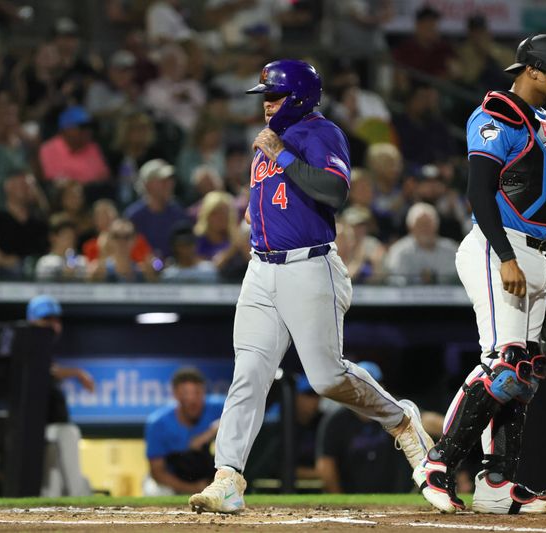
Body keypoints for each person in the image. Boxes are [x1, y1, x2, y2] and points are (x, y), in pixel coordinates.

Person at [188, 59, 434, 514]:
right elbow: (268, 200)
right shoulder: (268, 139)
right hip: (261, 269)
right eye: (264, 96)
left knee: (326, 378)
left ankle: (401, 421)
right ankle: (228, 476)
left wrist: (281, 154)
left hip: (309, 266)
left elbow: (335, 192)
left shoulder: (320, 133)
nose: (266, 105)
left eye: (274, 96)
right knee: (249, 373)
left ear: (299, 96)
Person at [414, 33, 546, 514]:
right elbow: (478, 192)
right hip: (498, 247)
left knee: (526, 373)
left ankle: (497, 484)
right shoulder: (495, 115)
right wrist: (505, 256)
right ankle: (437, 465)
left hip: (535, 251)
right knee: (506, 364)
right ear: (532, 70)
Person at [26, 295, 93, 497]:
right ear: (33, 320)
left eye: (56, 319)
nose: (53, 325)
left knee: (52, 487)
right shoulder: (27, 344)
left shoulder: (45, 350)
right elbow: (44, 371)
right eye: (47, 319)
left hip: (49, 429)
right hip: (39, 429)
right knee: (68, 435)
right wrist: (78, 373)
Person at [316, 362, 413, 493]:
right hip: (350, 497)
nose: (365, 393)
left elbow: (424, 421)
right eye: (360, 387)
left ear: (381, 388)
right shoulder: (336, 420)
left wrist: (449, 433)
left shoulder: (393, 411)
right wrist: (340, 500)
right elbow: (326, 464)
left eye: (371, 387)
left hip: (392, 495)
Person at [145, 367, 225, 495]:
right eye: (185, 393)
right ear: (175, 394)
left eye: (197, 392)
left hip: (209, 479)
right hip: (173, 481)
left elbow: (244, 411)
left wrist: (213, 429)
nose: (192, 399)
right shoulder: (158, 423)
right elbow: (158, 472)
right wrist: (194, 489)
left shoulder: (219, 407)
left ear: (204, 392)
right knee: (153, 492)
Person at [124, 158, 190, 258]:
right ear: (147, 185)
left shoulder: (178, 212)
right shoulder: (134, 216)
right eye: (163, 181)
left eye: (170, 180)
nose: (169, 184)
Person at [384, 202, 458, 285]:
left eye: (428, 224)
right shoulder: (399, 251)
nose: (425, 229)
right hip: (409, 297)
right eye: (420, 224)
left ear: (437, 226)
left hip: (448, 296)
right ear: (410, 227)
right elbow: (395, 283)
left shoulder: (452, 250)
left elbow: (459, 280)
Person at [38, 106, 110, 184]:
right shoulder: (49, 149)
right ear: (66, 128)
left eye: (89, 127)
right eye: (82, 127)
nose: (87, 131)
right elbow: (56, 182)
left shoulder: (93, 146)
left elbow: (105, 177)